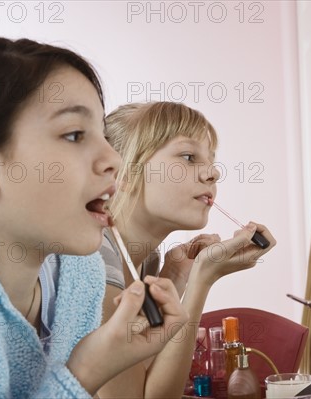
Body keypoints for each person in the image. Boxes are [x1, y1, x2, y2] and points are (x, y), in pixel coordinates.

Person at [0, 38, 187, 398]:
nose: (113, 159)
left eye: (103, 135)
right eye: (75, 134)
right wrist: (84, 373)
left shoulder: (80, 281)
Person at [98, 102, 277, 398]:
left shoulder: (145, 261)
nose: (213, 174)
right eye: (189, 156)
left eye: (211, 160)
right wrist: (201, 281)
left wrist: (175, 277)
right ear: (122, 173)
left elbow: (150, 385)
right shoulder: (93, 259)